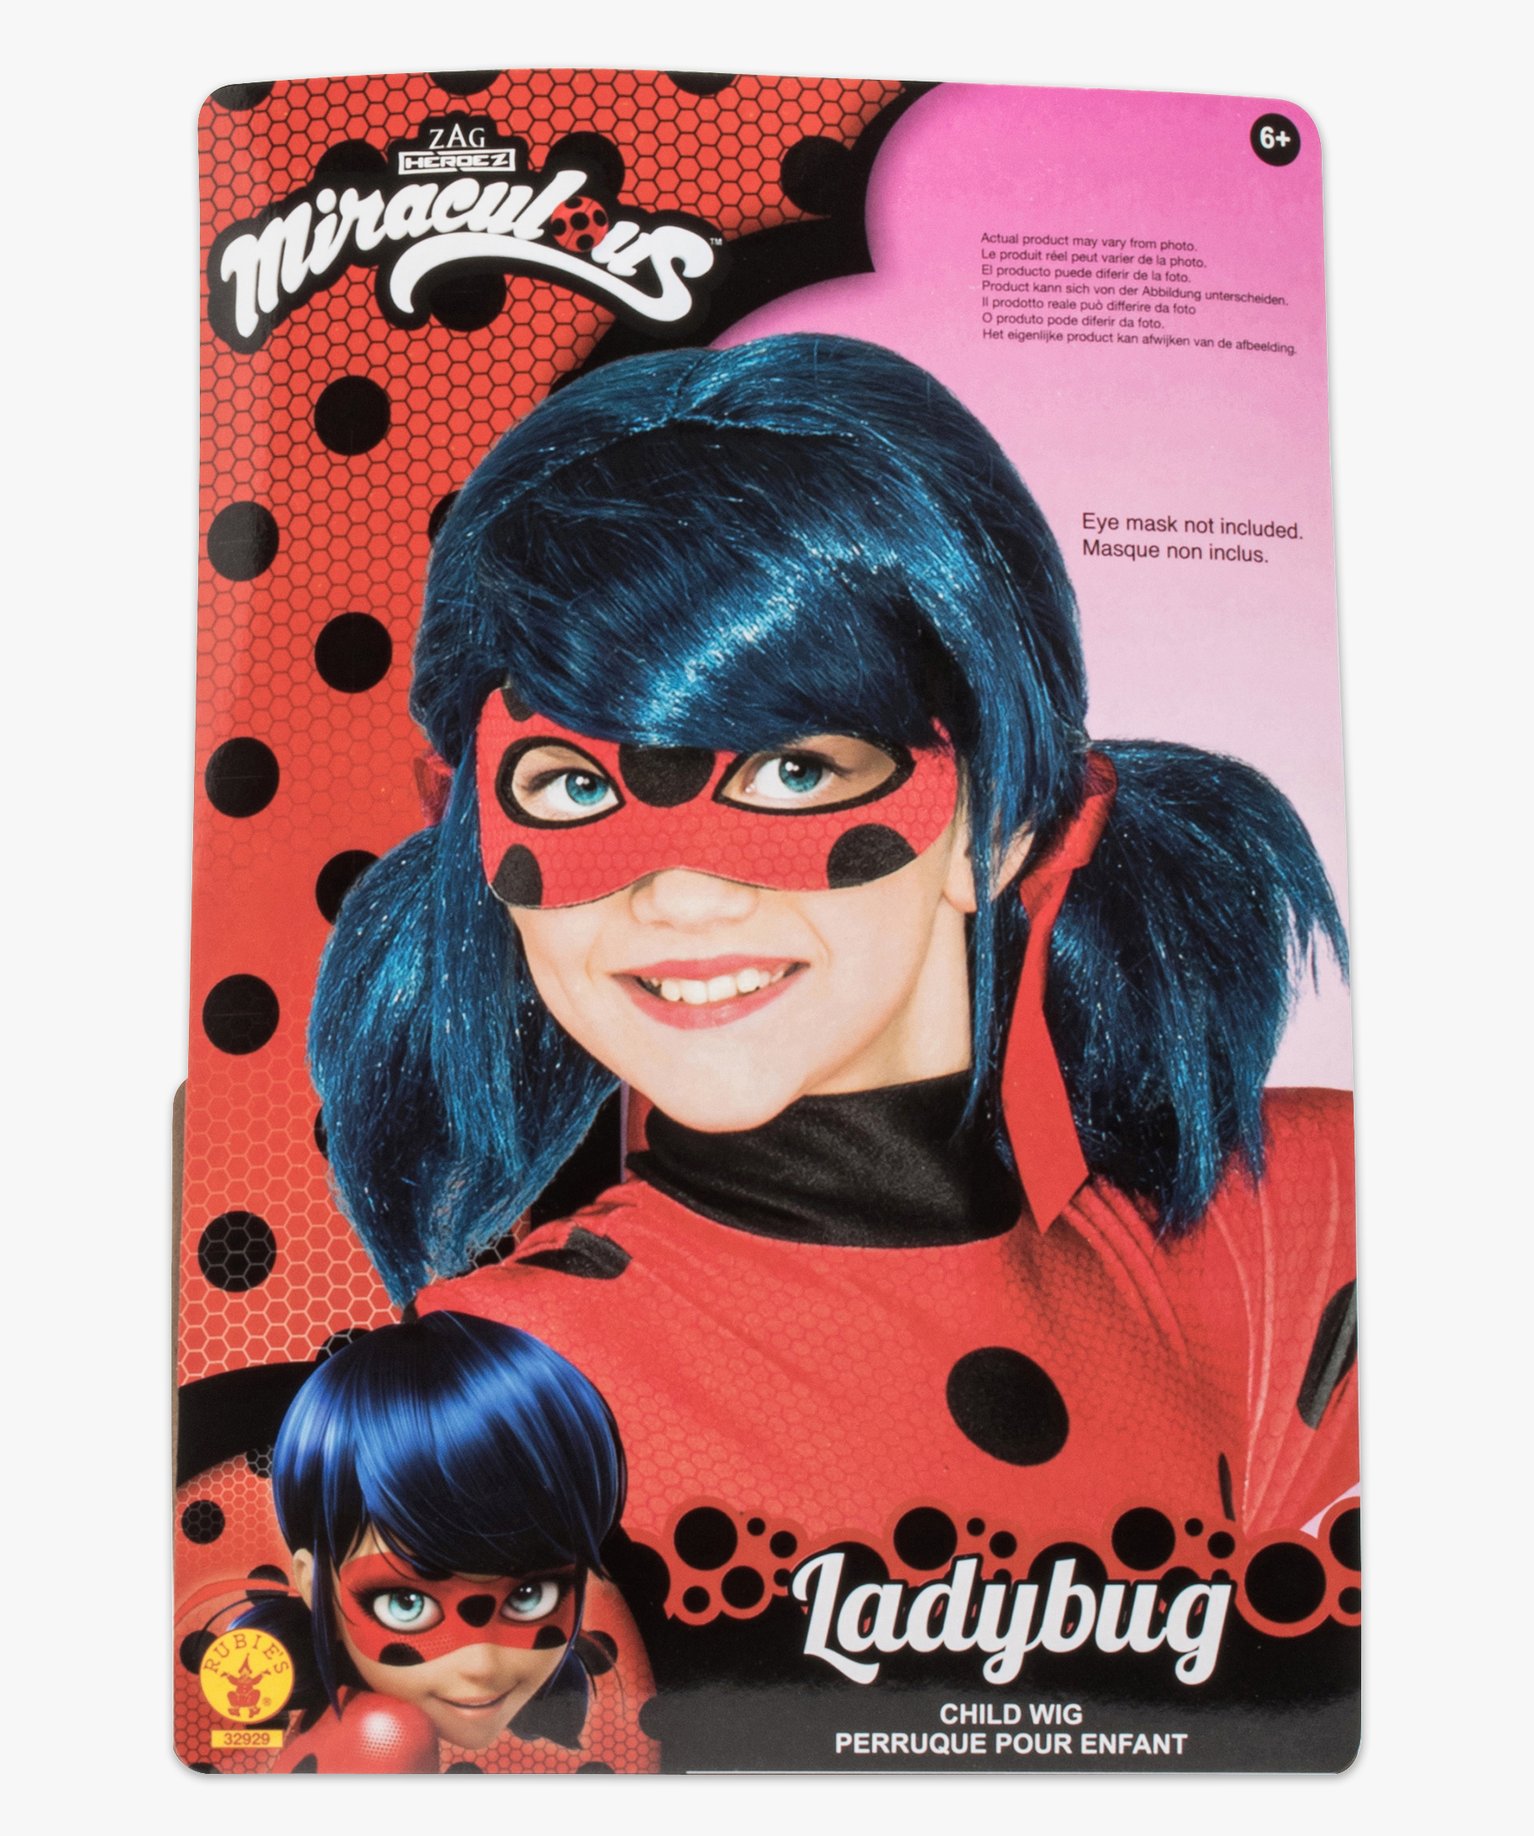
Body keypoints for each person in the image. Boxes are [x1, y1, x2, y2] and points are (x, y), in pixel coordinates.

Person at [310, 334, 1357, 1760]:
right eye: (569, 787)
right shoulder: (499, 1400)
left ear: (1002, 821)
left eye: (792, 771)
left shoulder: (1291, 1226)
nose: (678, 897)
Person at [217, 1312, 633, 1772]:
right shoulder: (384, 1734)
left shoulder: (347, 1719)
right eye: (407, 1603)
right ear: (314, 1586)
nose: (481, 1665)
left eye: (529, 1595)